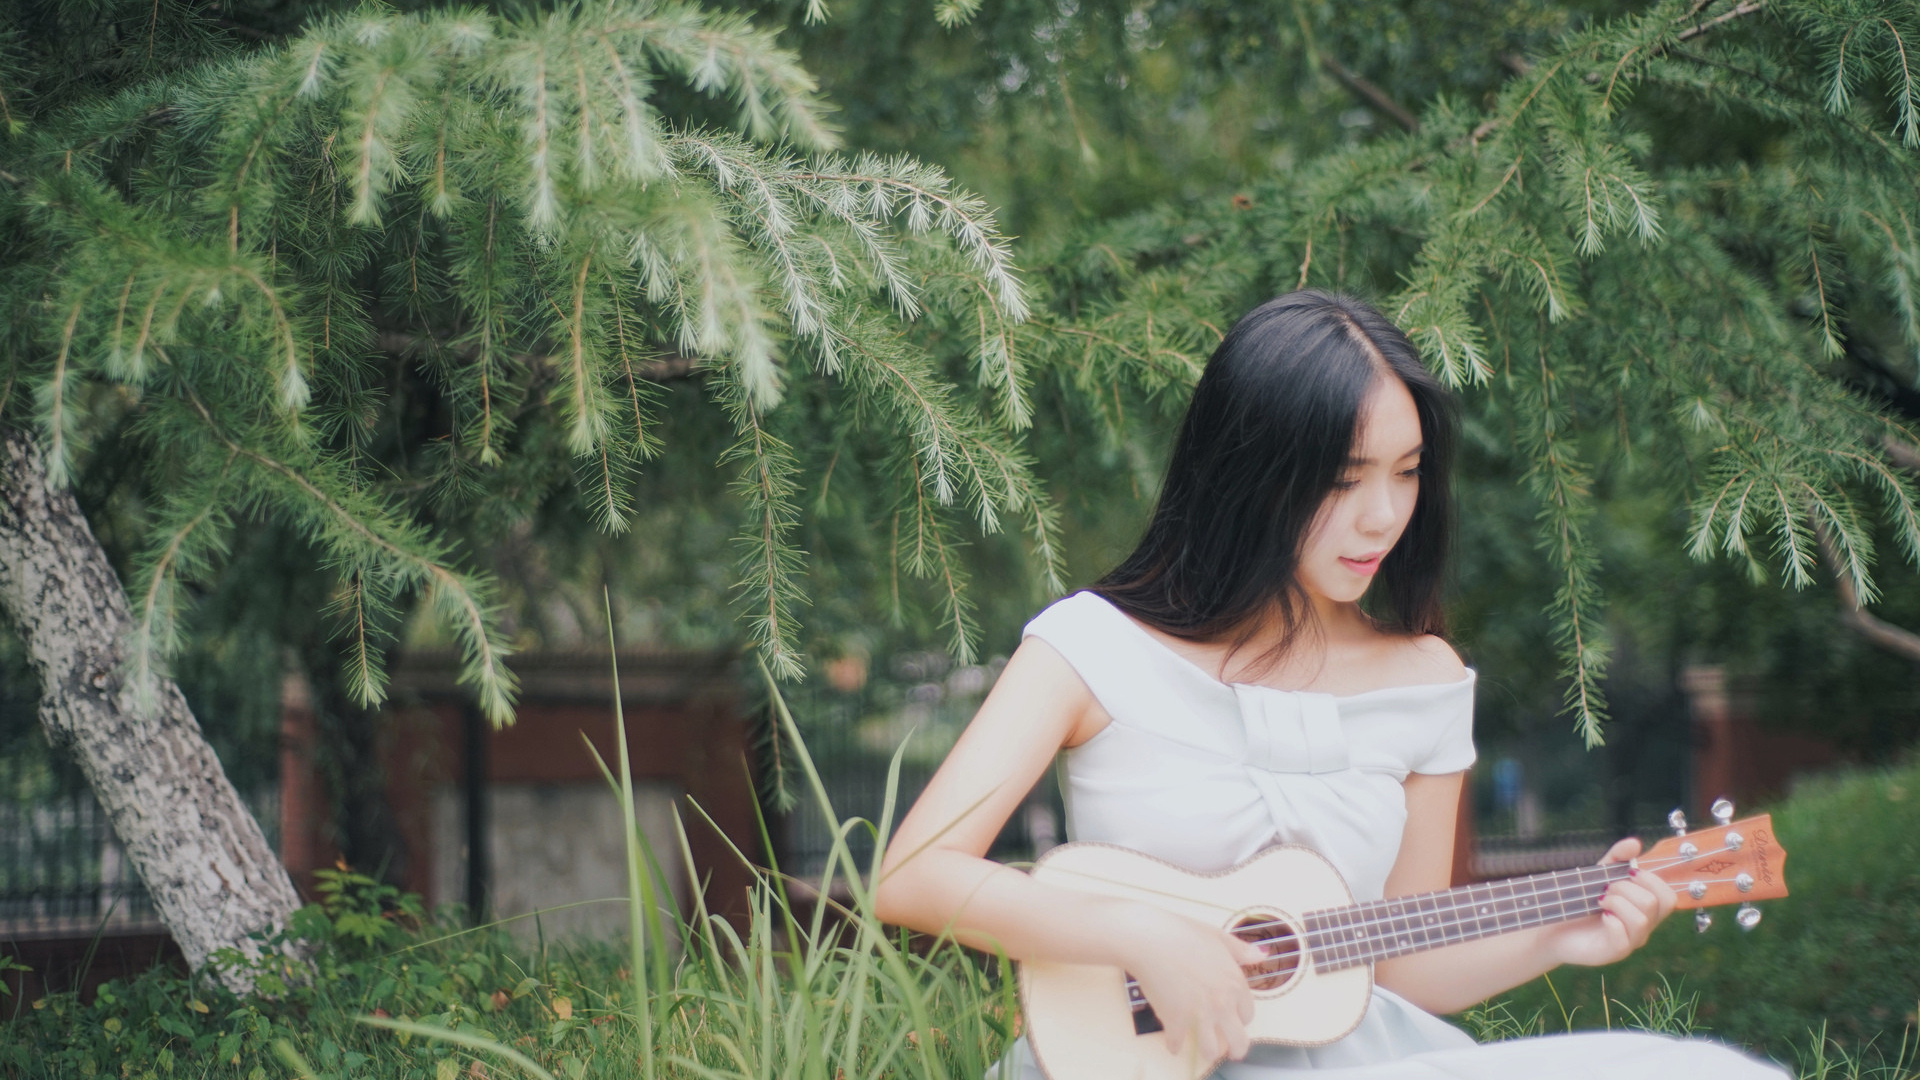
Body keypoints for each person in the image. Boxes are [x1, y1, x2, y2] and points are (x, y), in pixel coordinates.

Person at [870, 291, 1786, 1079]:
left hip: (1356, 1060)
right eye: (1345, 480)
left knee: (1700, 1070)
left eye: (1407, 473)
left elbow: (1399, 963)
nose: (1383, 516)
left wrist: (1562, 936)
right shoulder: (1090, 646)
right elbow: (914, 876)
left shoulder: (1425, 679)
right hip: (1132, 1063)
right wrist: (1140, 935)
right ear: (1250, 476)